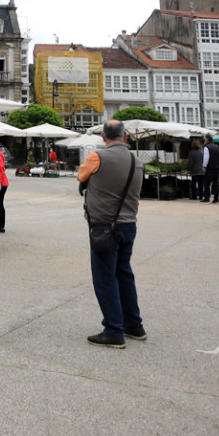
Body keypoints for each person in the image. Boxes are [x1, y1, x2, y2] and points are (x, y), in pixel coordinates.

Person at [77, 120, 145, 349]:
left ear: (104, 138)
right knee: (124, 274)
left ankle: (114, 330)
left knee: (105, 278)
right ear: (125, 137)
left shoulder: (97, 157)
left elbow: (81, 177)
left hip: (104, 227)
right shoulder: (137, 161)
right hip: (129, 225)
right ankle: (134, 325)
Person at [201, 133, 219, 203]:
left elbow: (206, 158)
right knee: (216, 183)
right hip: (217, 167)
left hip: (210, 168)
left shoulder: (206, 147)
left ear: (207, 140)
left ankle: (207, 198)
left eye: (205, 139)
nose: (204, 140)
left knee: (207, 183)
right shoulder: (217, 147)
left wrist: (204, 166)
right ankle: (216, 198)